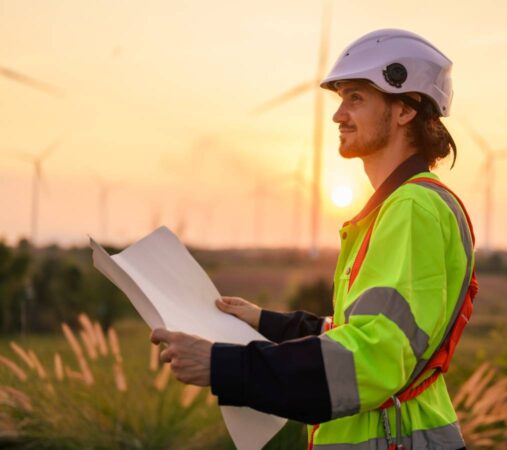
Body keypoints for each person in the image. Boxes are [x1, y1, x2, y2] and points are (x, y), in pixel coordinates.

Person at [151, 29, 476, 450]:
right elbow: (355, 331)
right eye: (341, 99)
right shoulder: (398, 206)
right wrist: (265, 321)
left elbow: (374, 357)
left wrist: (221, 365)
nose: (338, 115)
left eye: (356, 98)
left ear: (404, 111)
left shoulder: (411, 207)